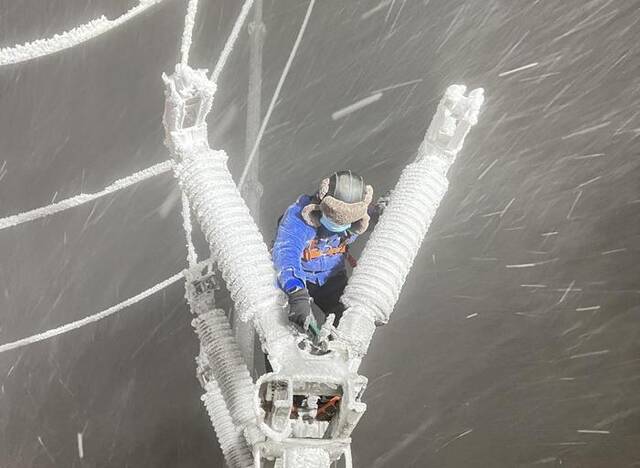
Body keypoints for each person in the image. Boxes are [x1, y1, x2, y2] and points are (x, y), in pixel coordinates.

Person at [272, 170, 375, 337]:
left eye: (346, 219)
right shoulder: (298, 216)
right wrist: (296, 292)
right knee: (287, 328)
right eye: (333, 214)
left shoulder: (358, 217)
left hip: (332, 279)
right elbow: (286, 253)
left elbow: (372, 215)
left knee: (346, 322)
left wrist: (383, 209)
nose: (338, 223)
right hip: (298, 276)